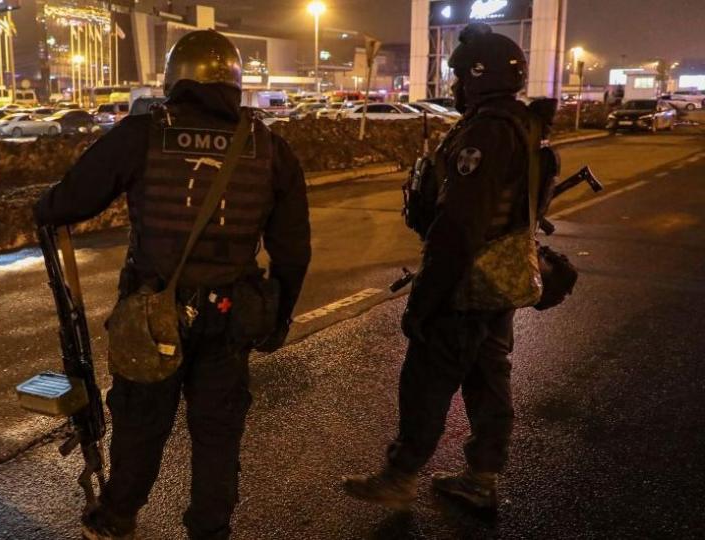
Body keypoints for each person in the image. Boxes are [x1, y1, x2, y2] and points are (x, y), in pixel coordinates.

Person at [34, 30, 311, 539]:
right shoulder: (271, 148)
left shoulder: (143, 133)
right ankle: (210, 530)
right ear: (234, 83)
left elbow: (68, 202)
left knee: (140, 424)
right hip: (231, 316)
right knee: (218, 434)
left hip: (151, 313)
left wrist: (46, 205)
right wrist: (279, 319)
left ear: (175, 79)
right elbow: (293, 252)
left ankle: (117, 517)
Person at [342, 24, 535, 512]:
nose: (452, 87)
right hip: (498, 280)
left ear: (479, 77)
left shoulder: (486, 132)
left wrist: (424, 303)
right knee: (489, 374)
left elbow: (458, 227)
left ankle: (400, 475)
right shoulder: (523, 125)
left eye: (458, 77)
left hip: (467, 282)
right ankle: (482, 476)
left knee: (427, 377)